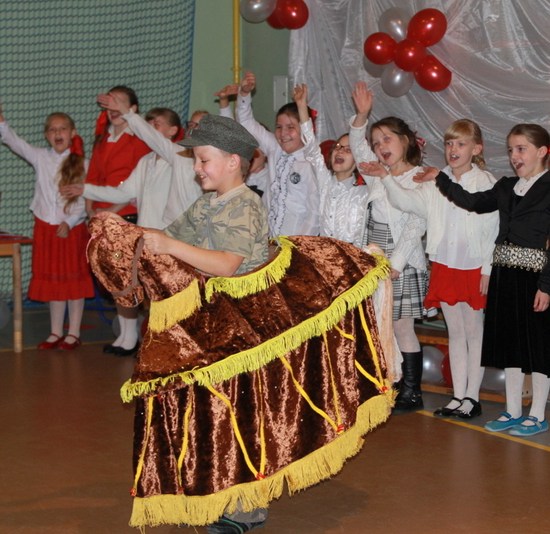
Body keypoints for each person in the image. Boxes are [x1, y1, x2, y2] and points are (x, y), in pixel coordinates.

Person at [141, 113, 269, 532]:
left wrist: (170, 244)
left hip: (244, 328)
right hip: (214, 324)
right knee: (213, 411)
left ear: (233, 162)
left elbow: (227, 264)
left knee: (241, 413)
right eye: (196, 160)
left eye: (203, 160)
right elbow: (169, 235)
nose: (197, 169)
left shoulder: (245, 204)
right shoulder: (208, 202)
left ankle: (248, 507)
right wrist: (130, 236)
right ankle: (217, 490)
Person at [414, 124, 550, 436]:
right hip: (506, 274)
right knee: (512, 345)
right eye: (511, 149)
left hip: (536, 278)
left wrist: (546, 285)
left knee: (538, 348)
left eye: (521, 149)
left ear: (542, 152)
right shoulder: (507, 186)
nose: (514, 156)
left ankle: (537, 414)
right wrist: (441, 179)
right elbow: (473, 202)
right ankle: (513, 410)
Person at [378, 119, 499, 418]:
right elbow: (408, 203)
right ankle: (458, 396)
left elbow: (493, 229)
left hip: (472, 266)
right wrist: (387, 177)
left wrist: (487, 268)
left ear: (476, 149)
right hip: (445, 264)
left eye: (460, 144)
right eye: (449, 144)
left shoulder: (484, 181)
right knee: (455, 331)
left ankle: (472, 398)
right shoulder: (435, 180)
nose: (453, 149)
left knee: (474, 332)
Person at [349, 81, 428, 412]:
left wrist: (396, 263)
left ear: (405, 141)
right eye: (376, 142)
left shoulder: (419, 177)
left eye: (387, 139)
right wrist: (361, 116)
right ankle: (389, 385)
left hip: (401, 261)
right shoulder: (376, 173)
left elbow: (416, 224)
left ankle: (412, 391)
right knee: (379, 324)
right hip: (375, 257)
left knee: (401, 326)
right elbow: (357, 146)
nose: (381, 146)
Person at [0, 109, 94, 350]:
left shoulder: (84, 164)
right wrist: (2, 123)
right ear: (46, 135)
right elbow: (15, 142)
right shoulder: (40, 157)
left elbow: (86, 200)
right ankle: (55, 332)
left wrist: (69, 222)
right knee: (54, 282)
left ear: (72, 133)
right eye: (52, 129)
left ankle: (73, 333)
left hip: (71, 230)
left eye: (62, 128)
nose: (57, 133)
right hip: (45, 228)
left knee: (73, 282)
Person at [86, 86, 151, 357]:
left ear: (132, 109)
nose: (112, 107)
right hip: (101, 217)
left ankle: (131, 337)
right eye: (109, 102)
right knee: (113, 278)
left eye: (119, 102)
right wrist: (90, 210)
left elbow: (133, 189)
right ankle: (125, 336)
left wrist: (111, 212)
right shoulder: (102, 140)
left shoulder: (138, 142)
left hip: (124, 215)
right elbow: (92, 178)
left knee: (127, 278)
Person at [61, 107, 184, 229]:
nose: (149, 130)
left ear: (172, 130)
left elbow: (160, 143)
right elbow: (123, 193)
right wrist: (85, 189)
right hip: (146, 233)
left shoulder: (180, 157)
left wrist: (128, 113)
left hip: (170, 234)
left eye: (156, 125)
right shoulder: (145, 161)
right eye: (147, 125)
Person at [235, 71, 320, 237]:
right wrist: (244, 94)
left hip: (295, 242)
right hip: (267, 239)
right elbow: (246, 123)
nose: (283, 133)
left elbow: (314, 214)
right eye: (279, 127)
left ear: (303, 128)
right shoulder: (275, 148)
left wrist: (298, 247)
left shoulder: (312, 162)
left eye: (290, 127)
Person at [293, 82, 374, 247]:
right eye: (337, 147)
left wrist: (362, 115)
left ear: (357, 160)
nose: (340, 151)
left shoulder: (365, 192)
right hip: (326, 257)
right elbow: (312, 150)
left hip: (355, 258)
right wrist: (302, 107)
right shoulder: (325, 182)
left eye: (348, 150)